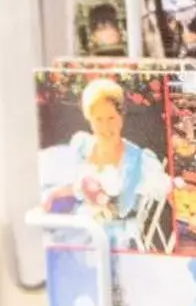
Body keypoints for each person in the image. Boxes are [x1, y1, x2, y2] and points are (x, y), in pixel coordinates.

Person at [42, 77, 171, 247]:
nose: (105, 127)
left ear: (121, 116)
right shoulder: (83, 144)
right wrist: (54, 195)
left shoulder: (138, 160)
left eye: (111, 118)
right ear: (89, 119)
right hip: (78, 227)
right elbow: (74, 185)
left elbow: (162, 191)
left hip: (112, 239)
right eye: (98, 119)